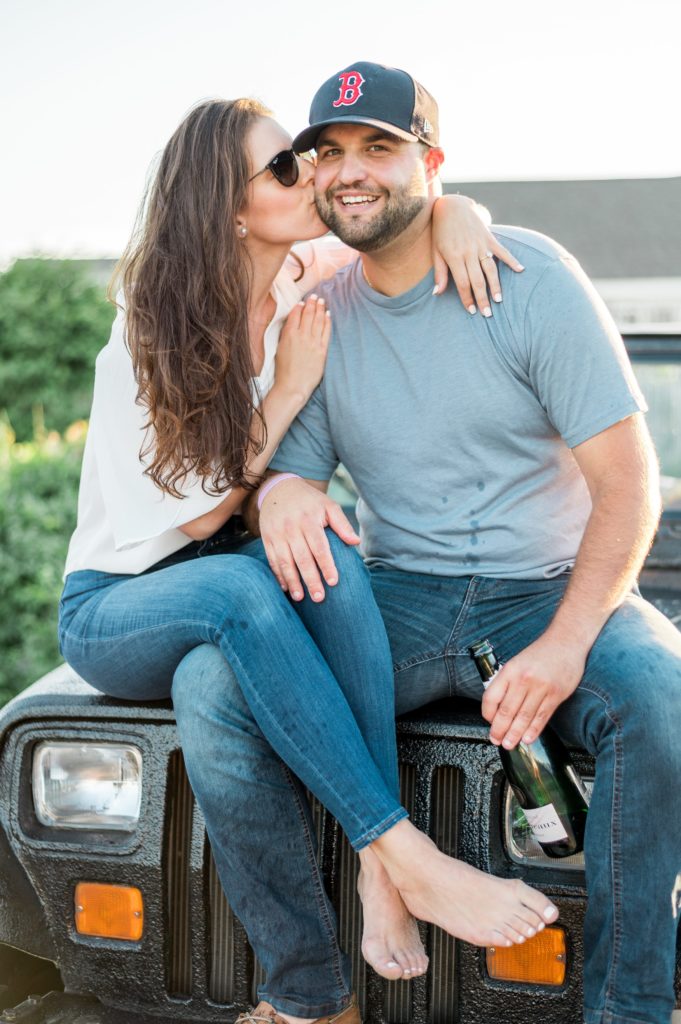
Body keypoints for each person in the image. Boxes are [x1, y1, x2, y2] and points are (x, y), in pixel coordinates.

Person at [57, 96, 558, 1024]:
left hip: (226, 612)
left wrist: (461, 213)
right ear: (229, 204)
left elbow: (409, 216)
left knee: (296, 599)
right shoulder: (147, 330)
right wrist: (285, 390)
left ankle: (310, 1001)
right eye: (284, 165)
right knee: (248, 580)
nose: (311, 173)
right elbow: (207, 517)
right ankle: (398, 857)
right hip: (119, 606)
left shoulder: (303, 274)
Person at [248, 62, 681, 1024]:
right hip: (400, 593)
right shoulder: (319, 315)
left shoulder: (530, 281)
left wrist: (566, 644)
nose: (350, 171)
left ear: (431, 164)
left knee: (657, 696)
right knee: (235, 691)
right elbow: (291, 466)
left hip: (549, 585)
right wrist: (280, 490)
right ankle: (307, 991)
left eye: (379, 149)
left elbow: (628, 485)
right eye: (329, 153)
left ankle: (630, 1007)